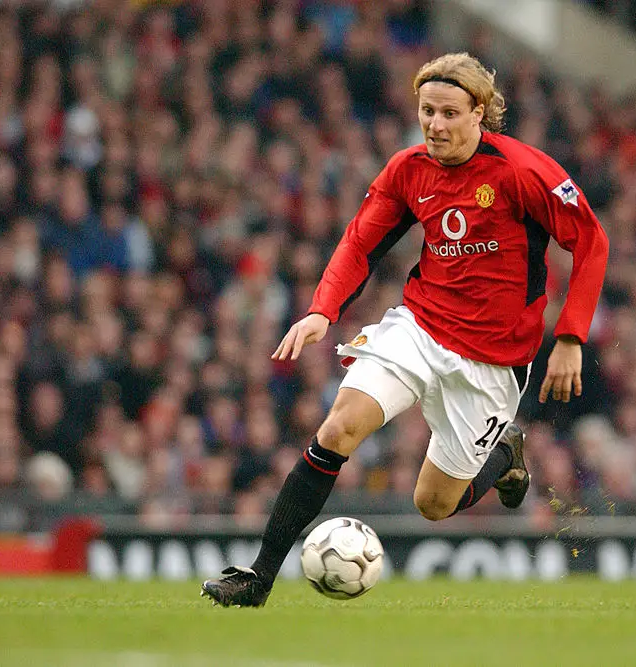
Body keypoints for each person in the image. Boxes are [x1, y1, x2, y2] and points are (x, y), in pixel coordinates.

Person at [201, 52, 609, 607]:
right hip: (420, 328)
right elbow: (360, 243)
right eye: (426, 111)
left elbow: (591, 241)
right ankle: (258, 577)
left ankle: (505, 453)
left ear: (479, 113)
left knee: (434, 504)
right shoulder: (408, 170)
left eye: (448, 113)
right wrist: (323, 309)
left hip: (493, 360)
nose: (435, 125)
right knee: (339, 428)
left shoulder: (524, 172)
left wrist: (570, 337)